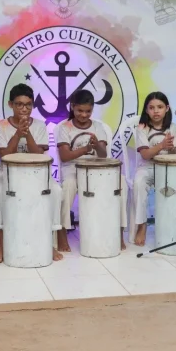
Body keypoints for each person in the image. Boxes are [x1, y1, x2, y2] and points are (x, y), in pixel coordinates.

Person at [0, 83, 62, 262]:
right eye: (19, 104)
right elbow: (5, 156)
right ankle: (2, 244)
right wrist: (17, 134)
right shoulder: (1, 126)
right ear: (10, 105)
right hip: (8, 172)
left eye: (28, 105)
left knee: (57, 191)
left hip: (36, 173)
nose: (24, 109)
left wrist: (27, 133)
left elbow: (39, 154)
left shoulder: (38, 126)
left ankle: (50, 243)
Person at [55, 89, 127, 252]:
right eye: (80, 110)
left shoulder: (98, 127)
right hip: (73, 168)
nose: (84, 115)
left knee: (121, 182)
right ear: (73, 107)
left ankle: (119, 231)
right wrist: (86, 148)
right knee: (68, 186)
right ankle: (62, 231)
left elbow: (103, 155)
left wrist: (98, 145)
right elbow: (65, 156)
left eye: (88, 111)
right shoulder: (64, 128)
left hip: (96, 168)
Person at [133, 91, 176, 246]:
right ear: (146, 110)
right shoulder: (142, 128)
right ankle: (142, 225)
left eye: (160, 107)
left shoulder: (173, 128)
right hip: (147, 167)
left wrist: (171, 148)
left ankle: (173, 225)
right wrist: (162, 145)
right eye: (151, 107)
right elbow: (145, 155)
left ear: (167, 108)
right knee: (139, 182)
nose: (156, 111)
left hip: (168, 167)